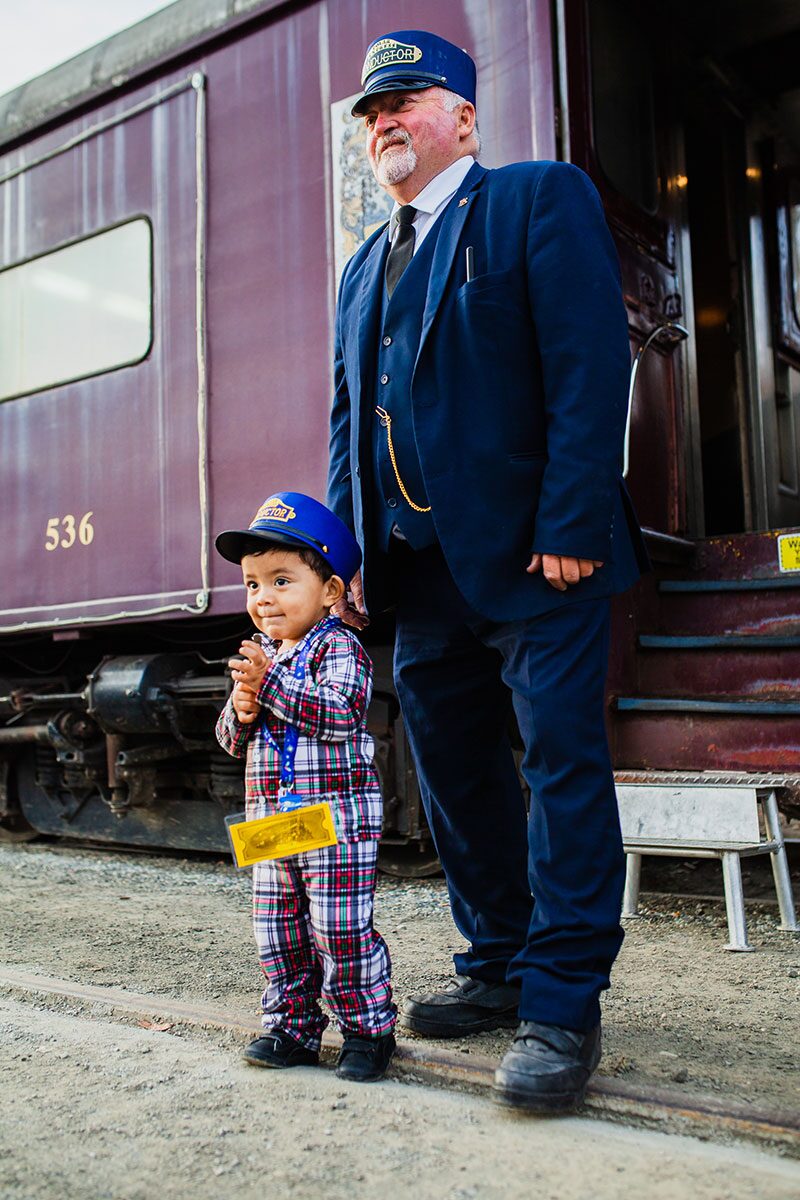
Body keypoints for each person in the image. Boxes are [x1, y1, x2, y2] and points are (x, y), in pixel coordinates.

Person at [327, 31, 649, 1111]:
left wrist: (571, 520)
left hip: (536, 559)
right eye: (370, 109)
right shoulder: (363, 264)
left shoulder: (532, 199)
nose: (382, 119)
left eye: (405, 99)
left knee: (558, 770)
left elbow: (584, 359)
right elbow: (346, 419)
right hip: (417, 575)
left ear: (461, 117)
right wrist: (345, 558)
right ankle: (497, 964)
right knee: (458, 780)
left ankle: (560, 1002)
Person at [215, 491, 396, 1082]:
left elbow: (340, 713)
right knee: (278, 929)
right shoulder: (263, 655)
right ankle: (290, 1027)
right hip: (272, 818)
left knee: (338, 929)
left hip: (335, 823)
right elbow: (226, 737)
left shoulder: (340, 648)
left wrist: (266, 690)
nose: (263, 597)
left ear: (331, 592)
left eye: (281, 580)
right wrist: (241, 709)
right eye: (251, 584)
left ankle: (367, 1031)